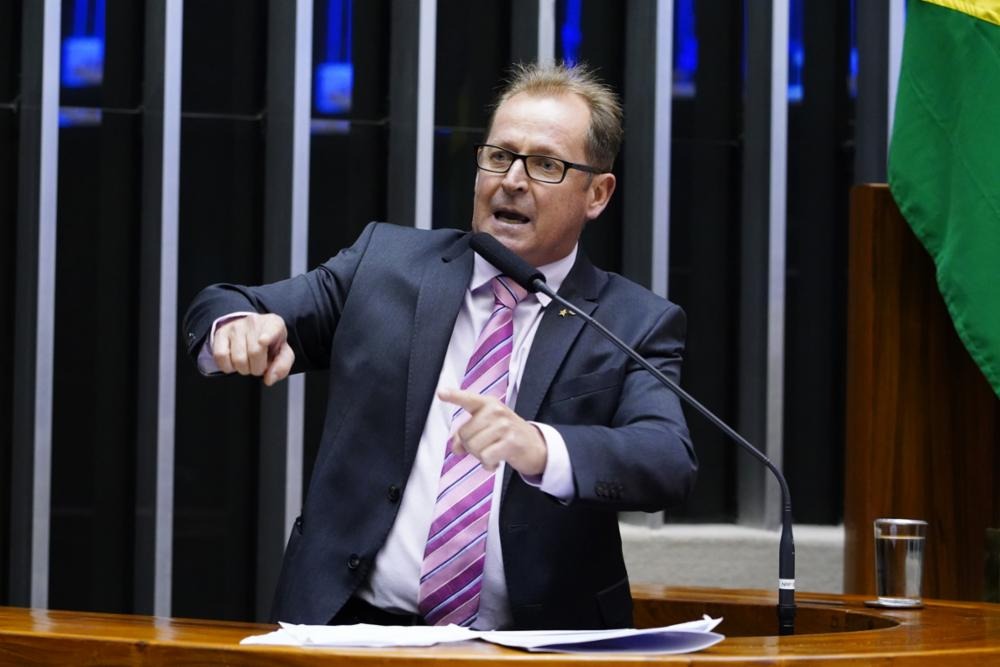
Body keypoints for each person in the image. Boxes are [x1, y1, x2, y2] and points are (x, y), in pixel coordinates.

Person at [183, 62, 696, 631]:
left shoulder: (631, 321)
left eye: (546, 164)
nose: (513, 180)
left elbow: (666, 460)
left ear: (597, 193)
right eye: (499, 156)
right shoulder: (384, 265)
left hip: (534, 641)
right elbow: (230, 301)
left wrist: (540, 446)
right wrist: (237, 325)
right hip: (353, 629)